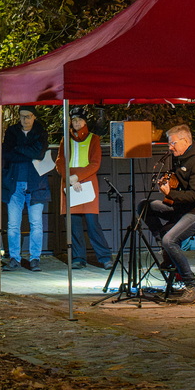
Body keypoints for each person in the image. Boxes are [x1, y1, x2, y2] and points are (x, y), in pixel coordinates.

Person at [139, 124, 195, 303]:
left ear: (185, 141)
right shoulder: (181, 158)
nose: (170, 147)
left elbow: (193, 196)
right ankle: (166, 250)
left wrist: (170, 193)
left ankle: (191, 285)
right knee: (144, 206)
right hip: (183, 208)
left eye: (173, 143)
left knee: (170, 240)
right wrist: (169, 183)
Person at [55, 107, 113, 270]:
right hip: (70, 183)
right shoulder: (65, 139)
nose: (77, 123)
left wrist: (77, 177)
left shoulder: (93, 138)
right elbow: (60, 162)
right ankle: (78, 258)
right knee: (74, 224)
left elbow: (95, 163)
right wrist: (69, 178)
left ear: (85, 121)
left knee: (92, 223)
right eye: (74, 120)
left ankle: (105, 257)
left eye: (79, 120)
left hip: (87, 184)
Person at [2, 106, 49, 272]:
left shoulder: (40, 131)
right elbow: (7, 154)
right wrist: (29, 151)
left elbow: (40, 153)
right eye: (22, 116)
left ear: (34, 116)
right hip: (14, 183)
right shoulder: (12, 131)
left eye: (28, 116)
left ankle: (35, 258)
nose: (25, 120)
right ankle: (14, 257)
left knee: (36, 223)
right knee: (13, 224)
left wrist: (18, 148)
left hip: (36, 184)